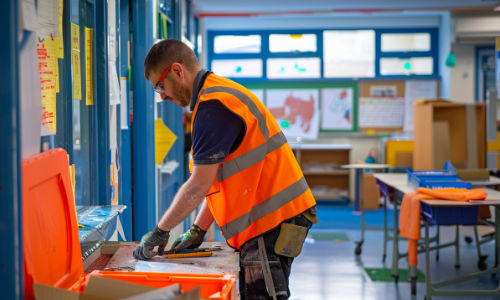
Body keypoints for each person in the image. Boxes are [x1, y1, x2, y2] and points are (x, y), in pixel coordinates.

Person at [133, 39, 317, 300]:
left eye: (160, 86)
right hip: (275, 215)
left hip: (271, 219)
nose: (162, 95)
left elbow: (197, 186)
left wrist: (160, 231)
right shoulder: (217, 96)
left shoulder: (214, 107)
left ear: (177, 70)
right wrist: (197, 229)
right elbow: (219, 178)